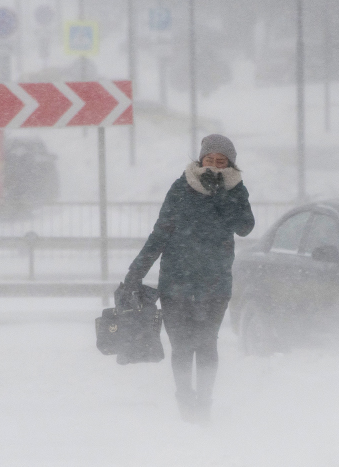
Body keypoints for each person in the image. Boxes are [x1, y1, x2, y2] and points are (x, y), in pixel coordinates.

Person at [123, 134, 255, 424]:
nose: (215, 165)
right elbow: (160, 233)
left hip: (215, 283)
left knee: (207, 344)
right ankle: (185, 401)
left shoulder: (236, 189)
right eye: (210, 159)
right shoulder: (182, 187)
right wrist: (135, 273)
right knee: (182, 345)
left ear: (230, 163)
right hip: (176, 281)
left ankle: (204, 404)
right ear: (201, 159)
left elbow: (244, 227)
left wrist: (223, 196)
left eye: (222, 161)